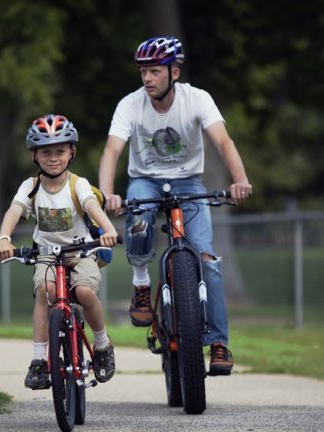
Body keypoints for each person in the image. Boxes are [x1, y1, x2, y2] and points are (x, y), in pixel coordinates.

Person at [98, 36, 252, 376]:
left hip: (188, 182)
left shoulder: (197, 99)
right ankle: (141, 286)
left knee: (207, 259)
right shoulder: (130, 105)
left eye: (154, 71)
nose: (147, 78)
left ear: (174, 72)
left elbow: (223, 140)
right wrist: (107, 194)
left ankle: (220, 343)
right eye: (143, 72)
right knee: (138, 224)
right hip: (145, 180)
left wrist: (239, 179)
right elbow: (112, 151)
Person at [0, 114, 119, 389]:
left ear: (71, 152)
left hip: (82, 250)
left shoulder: (78, 184)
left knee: (86, 293)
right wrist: (4, 239)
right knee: (45, 292)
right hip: (47, 254)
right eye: (46, 152)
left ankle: (102, 345)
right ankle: (39, 361)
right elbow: (14, 210)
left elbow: (92, 207)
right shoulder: (31, 187)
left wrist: (108, 229)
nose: (54, 158)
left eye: (60, 151)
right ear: (34, 155)